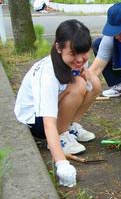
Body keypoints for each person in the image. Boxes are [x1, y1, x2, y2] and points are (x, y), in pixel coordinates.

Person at [14, 19, 101, 187]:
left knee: (94, 82)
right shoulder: (47, 74)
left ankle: (69, 126)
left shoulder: (79, 59)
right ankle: (60, 138)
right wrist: (61, 163)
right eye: (73, 54)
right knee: (79, 85)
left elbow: (91, 86)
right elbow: (47, 123)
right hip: (35, 121)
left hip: (52, 108)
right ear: (59, 48)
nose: (79, 59)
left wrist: (87, 75)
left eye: (84, 53)